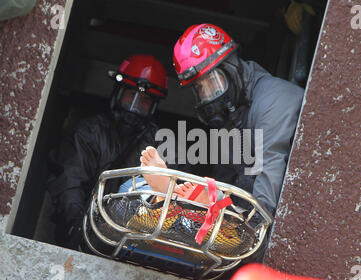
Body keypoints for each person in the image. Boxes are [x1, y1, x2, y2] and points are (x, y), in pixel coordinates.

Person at [172, 23, 304, 219]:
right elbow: (224, 185)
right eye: (200, 89)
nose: (209, 95)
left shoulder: (274, 100)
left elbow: (266, 200)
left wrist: (248, 227)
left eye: (213, 81)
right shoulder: (232, 118)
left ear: (232, 67)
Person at [47, 54, 168, 250]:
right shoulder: (88, 133)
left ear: (154, 107)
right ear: (117, 93)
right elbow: (69, 182)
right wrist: (79, 230)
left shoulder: (161, 145)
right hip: (80, 235)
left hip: (132, 245)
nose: (135, 106)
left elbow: (172, 197)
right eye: (131, 95)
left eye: (145, 100)